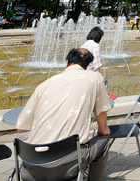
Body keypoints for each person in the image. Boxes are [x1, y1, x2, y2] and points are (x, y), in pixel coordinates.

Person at [17, 48, 111, 181]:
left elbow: (21, 127)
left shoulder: (44, 85)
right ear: (88, 65)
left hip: (31, 167)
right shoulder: (94, 78)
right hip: (66, 166)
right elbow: (101, 112)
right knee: (104, 139)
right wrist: (103, 130)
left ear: (67, 62)